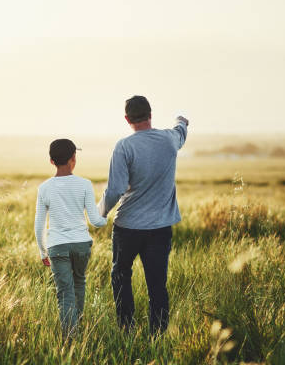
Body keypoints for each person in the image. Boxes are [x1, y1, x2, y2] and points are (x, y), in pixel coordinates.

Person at [98, 96, 188, 335]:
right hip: (160, 229)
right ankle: (157, 336)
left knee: (121, 276)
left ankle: (126, 330)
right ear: (150, 114)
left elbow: (116, 189)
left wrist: (101, 212)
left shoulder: (124, 146)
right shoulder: (170, 140)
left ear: (127, 119)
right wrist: (181, 120)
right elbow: (181, 130)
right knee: (157, 285)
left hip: (127, 227)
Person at [34, 139, 107, 339]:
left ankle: (70, 339)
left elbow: (39, 226)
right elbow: (95, 221)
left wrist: (43, 251)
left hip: (57, 246)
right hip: (81, 244)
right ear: (74, 158)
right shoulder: (84, 184)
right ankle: (79, 328)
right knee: (79, 283)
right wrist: (106, 216)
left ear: (51, 161)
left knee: (64, 293)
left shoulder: (44, 188)